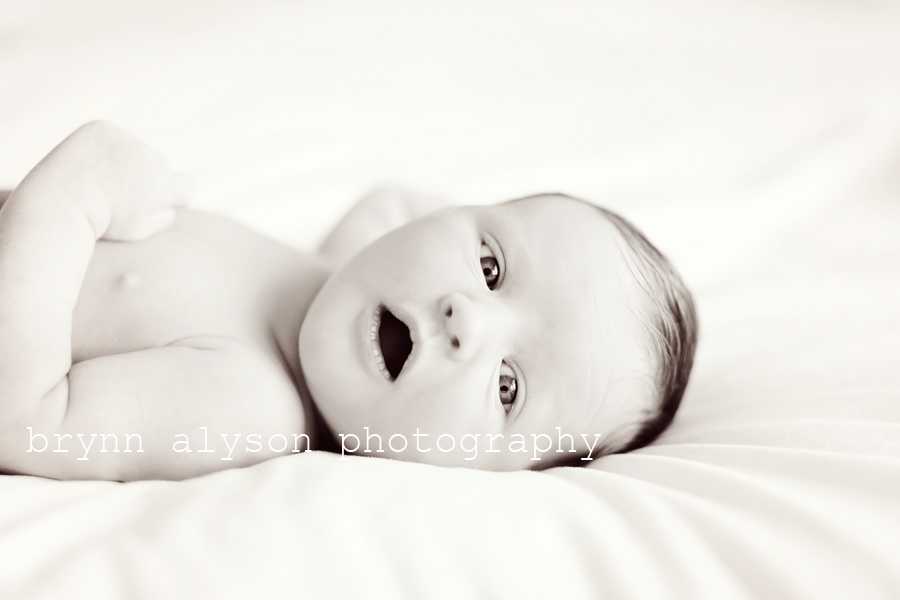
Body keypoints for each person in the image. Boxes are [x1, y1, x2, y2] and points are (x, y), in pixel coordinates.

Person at [0, 122, 696, 480]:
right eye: (490, 265)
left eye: (508, 388)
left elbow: (30, 423)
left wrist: (67, 199)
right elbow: (394, 200)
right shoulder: (341, 273)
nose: (468, 317)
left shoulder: (249, 406)